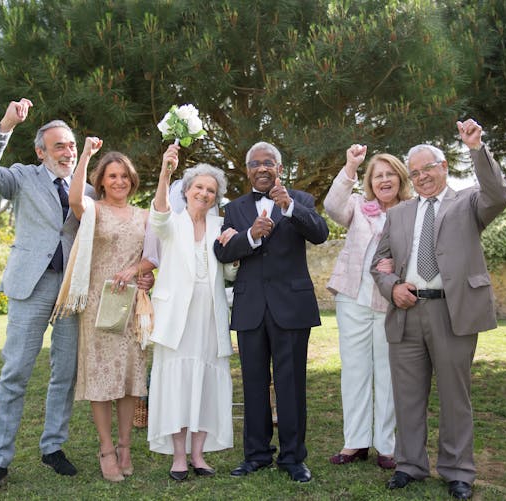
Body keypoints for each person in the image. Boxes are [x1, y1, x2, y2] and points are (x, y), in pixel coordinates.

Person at [371, 119, 506, 500]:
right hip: (407, 313)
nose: (420, 177)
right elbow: (380, 262)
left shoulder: (468, 202)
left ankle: (458, 471)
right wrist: (392, 287)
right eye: (414, 173)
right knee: (407, 396)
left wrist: (477, 148)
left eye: (427, 169)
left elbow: (498, 195)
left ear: (443, 167)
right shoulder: (398, 214)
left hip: (454, 312)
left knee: (454, 396)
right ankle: (410, 465)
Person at [0, 98, 93, 497]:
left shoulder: (87, 187)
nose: (67, 151)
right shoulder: (22, 177)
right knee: (15, 372)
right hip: (32, 286)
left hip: (71, 290)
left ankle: (52, 447)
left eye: (71, 145)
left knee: (65, 372)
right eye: (59, 146)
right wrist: (6, 124)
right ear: (41, 151)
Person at [213, 141, 329, 483]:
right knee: (253, 383)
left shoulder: (301, 199)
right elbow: (222, 252)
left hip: (291, 307)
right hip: (250, 307)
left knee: (291, 383)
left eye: (269, 163)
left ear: (280, 167)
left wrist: (289, 206)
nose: (261, 168)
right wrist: (250, 235)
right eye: (255, 164)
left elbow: (320, 234)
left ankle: (293, 457)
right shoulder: (233, 209)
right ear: (247, 170)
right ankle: (257, 455)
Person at [55, 137, 155, 482]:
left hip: (130, 307)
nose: (119, 182)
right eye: (112, 176)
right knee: (101, 379)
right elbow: (72, 197)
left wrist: (144, 275)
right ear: (101, 181)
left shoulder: (144, 216)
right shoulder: (93, 210)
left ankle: (126, 447)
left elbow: (152, 258)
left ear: (132, 180)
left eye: (124, 176)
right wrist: (84, 155)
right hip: (98, 304)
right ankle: (106, 449)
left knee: (128, 379)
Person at [146, 144, 235, 481]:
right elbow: (158, 213)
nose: (204, 193)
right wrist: (166, 170)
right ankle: (179, 457)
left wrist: (234, 254)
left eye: (211, 190)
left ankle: (199, 455)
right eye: (198, 187)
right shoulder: (173, 224)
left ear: (216, 197)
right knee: (178, 385)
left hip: (210, 319)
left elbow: (229, 275)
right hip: (176, 321)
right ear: (185, 191)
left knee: (206, 383)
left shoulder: (220, 227)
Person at [323, 146, 411, 469]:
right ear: (370, 183)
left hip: (390, 303)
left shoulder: (411, 211)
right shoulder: (358, 207)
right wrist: (350, 166)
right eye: (378, 176)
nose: (384, 180)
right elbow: (332, 205)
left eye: (390, 174)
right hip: (352, 298)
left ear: (400, 179)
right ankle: (355, 442)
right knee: (355, 370)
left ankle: (386, 446)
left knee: (387, 372)